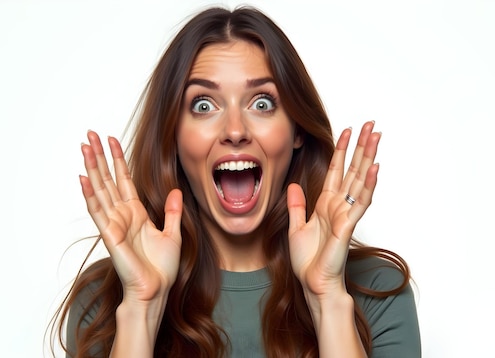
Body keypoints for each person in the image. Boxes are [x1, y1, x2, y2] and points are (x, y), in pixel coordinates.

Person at [48, 6, 420, 358]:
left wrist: (327, 298)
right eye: (204, 105)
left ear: (296, 131)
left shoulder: (377, 290)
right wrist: (142, 308)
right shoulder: (106, 299)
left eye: (261, 103)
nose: (235, 130)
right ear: (173, 137)